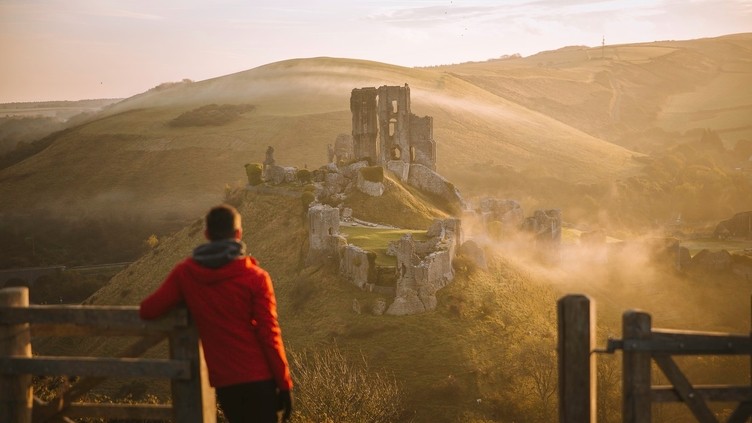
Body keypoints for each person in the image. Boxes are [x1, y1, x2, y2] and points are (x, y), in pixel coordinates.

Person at [139, 204, 293, 422]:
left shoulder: (186, 273)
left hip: (226, 383)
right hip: (261, 378)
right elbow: (270, 334)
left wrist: (188, 299)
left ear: (207, 235)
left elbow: (149, 310)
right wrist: (284, 384)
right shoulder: (256, 277)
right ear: (238, 234)